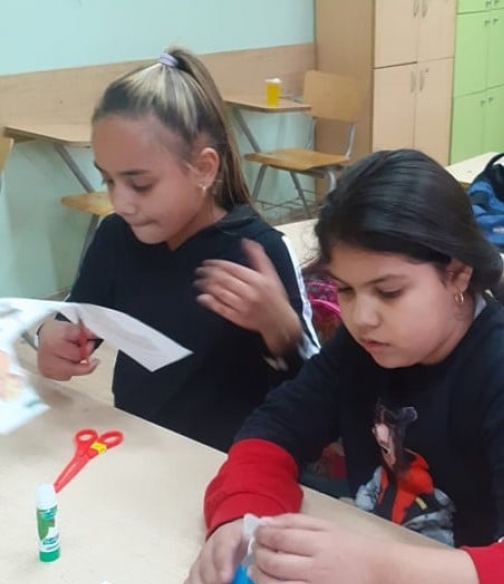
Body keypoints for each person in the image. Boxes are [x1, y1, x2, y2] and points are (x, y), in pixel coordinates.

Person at [180, 148, 504, 584]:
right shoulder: (367, 347)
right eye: (345, 290)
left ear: (458, 273)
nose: (361, 318)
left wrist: (372, 572)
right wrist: (241, 517)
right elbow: (275, 428)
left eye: (389, 292)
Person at [37, 48, 319, 451]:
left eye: (140, 184)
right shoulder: (116, 237)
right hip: (139, 448)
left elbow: (314, 396)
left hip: (228, 463)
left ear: (204, 168)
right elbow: (80, 316)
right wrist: (54, 337)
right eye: (108, 180)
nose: (121, 203)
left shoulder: (260, 252)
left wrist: (281, 330)